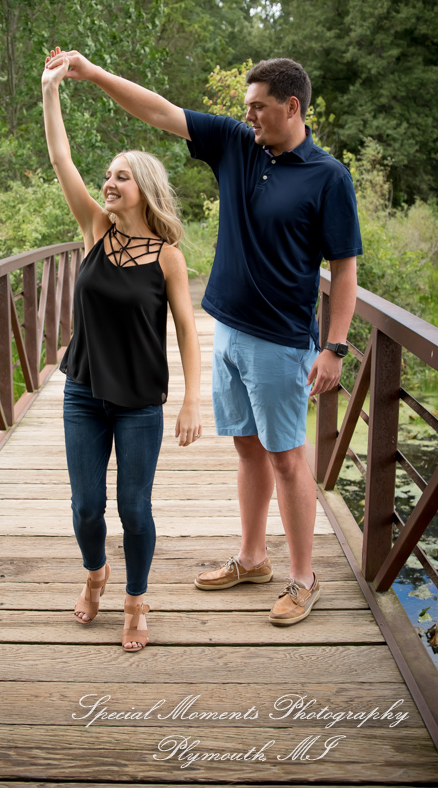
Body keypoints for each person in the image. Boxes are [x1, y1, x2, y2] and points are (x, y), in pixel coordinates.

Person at [44, 50, 362, 626]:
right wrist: (91, 75)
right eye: (246, 108)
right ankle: (251, 558)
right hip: (230, 332)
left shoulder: (328, 177)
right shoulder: (238, 146)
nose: (250, 117)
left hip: (283, 339)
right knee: (246, 447)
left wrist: (333, 346)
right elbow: (159, 112)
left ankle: (304, 578)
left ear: (291, 107)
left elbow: (343, 269)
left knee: (287, 459)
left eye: (258, 108)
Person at [41, 48, 202, 651]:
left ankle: (135, 599)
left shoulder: (168, 258)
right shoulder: (94, 230)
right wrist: (50, 90)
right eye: (106, 175)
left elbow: (187, 330)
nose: (108, 183)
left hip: (138, 402)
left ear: (145, 189)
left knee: (134, 509)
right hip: (82, 391)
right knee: (86, 508)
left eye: (120, 176)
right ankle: (95, 575)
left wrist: (191, 400)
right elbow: (61, 157)